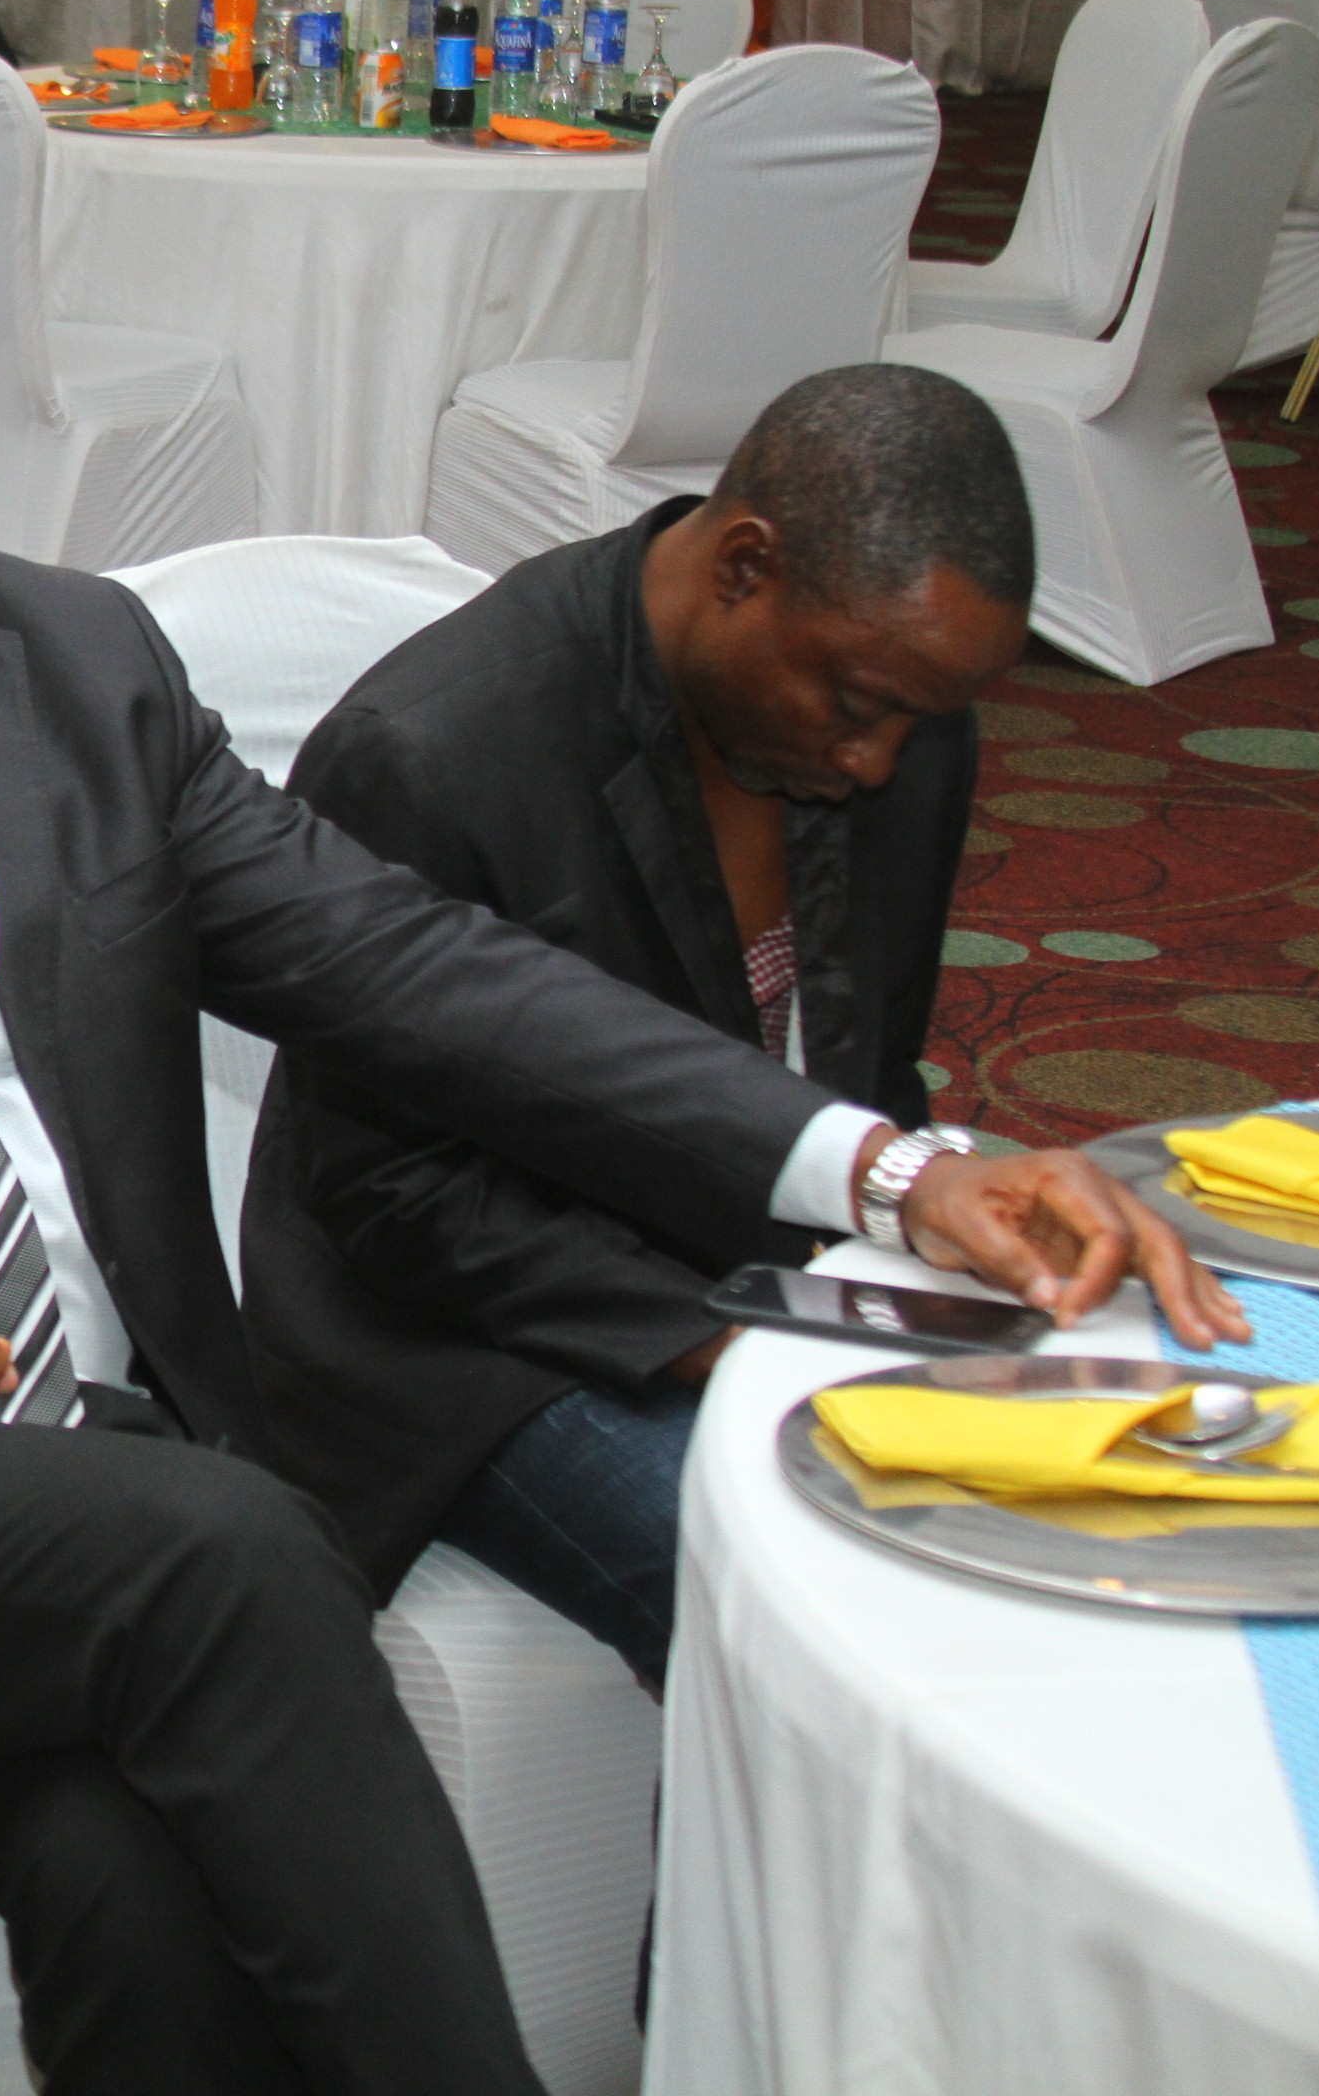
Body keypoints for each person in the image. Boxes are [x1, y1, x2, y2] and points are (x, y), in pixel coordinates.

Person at [0, 110, 1243, 2095]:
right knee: (227, 1549)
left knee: (141, 1895)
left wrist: (884, 1168)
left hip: (54, 1511)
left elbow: (426, 975)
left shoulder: (72, 660)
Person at [241, 364, 1046, 1693]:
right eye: (857, 708)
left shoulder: (899, 712)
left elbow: (868, 1066)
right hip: (463, 1348)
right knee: (813, 1586)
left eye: (925, 719)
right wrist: (737, 1337)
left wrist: (930, 1228)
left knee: (1090, 1483)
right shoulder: (434, 751)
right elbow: (389, 1197)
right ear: (743, 567)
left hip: (775, 1266)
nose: (879, 764)